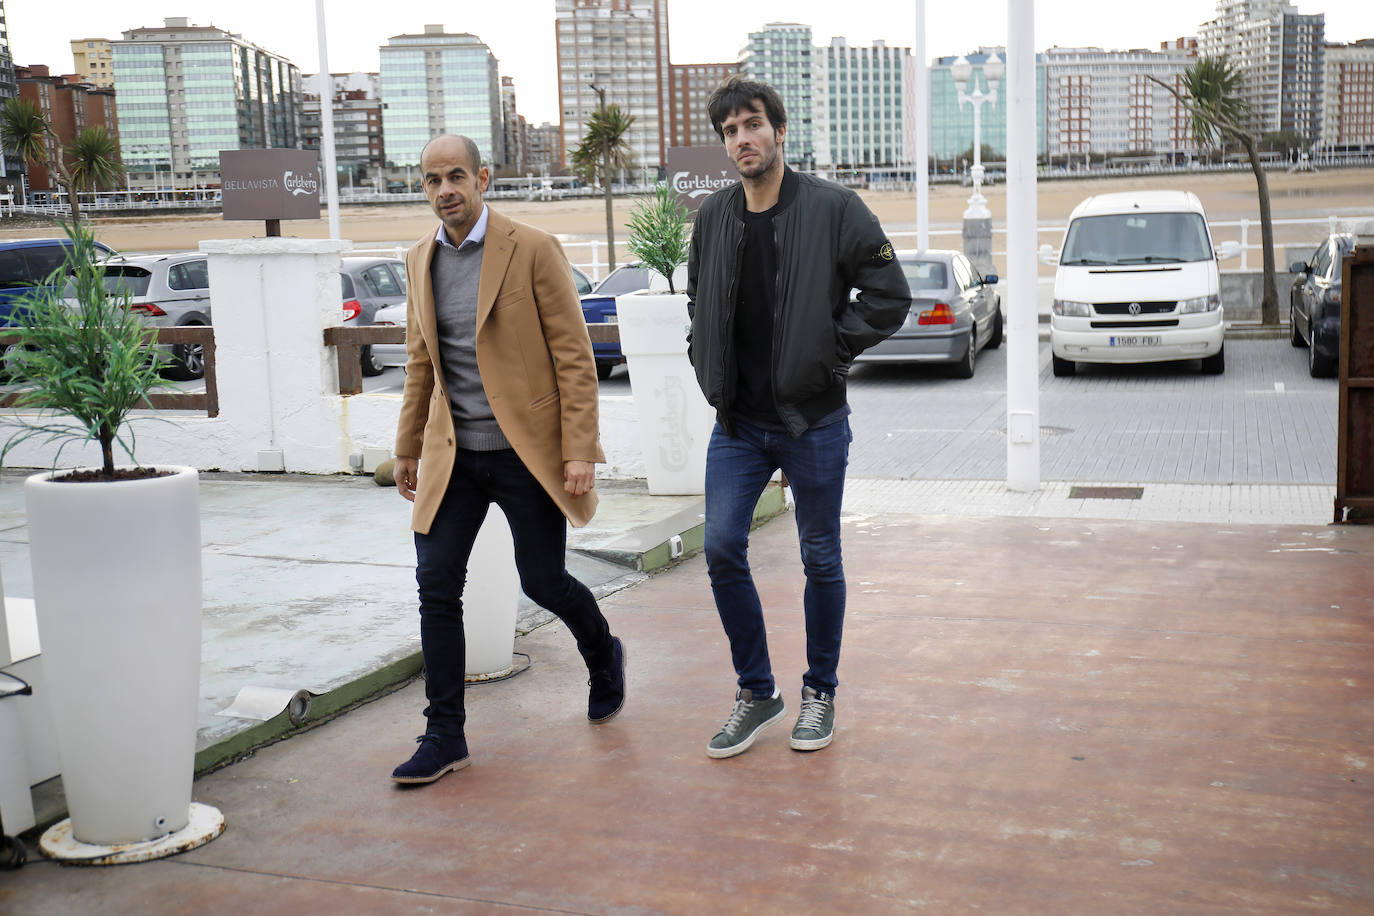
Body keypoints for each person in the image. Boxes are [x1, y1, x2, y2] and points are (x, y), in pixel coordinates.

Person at [390, 134, 626, 785]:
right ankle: (444, 735)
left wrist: (579, 451)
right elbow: (419, 366)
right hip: (454, 458)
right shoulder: (419, 261)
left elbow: (576, 358)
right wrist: (406, 447)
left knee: (542, 582)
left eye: (457, 176)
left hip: (526, 455)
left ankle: (604, 653)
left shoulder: (533, 249)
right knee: (436, 586)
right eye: (433, 179)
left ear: (484, 178)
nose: (446, 190)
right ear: (425, 187)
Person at [686, 78, 911, 759]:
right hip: (738, 426)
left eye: (752, 124)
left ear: (779, 131)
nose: (742, 139)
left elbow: (888, 294)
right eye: (730, 131)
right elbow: (700, 301)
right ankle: (758, 692)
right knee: (722, 548)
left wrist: (828, 348)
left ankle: (820, 692)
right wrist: (706, 361)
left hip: (813, 421)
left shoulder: (834, 209)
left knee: (820, 557)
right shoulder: (715, 218)